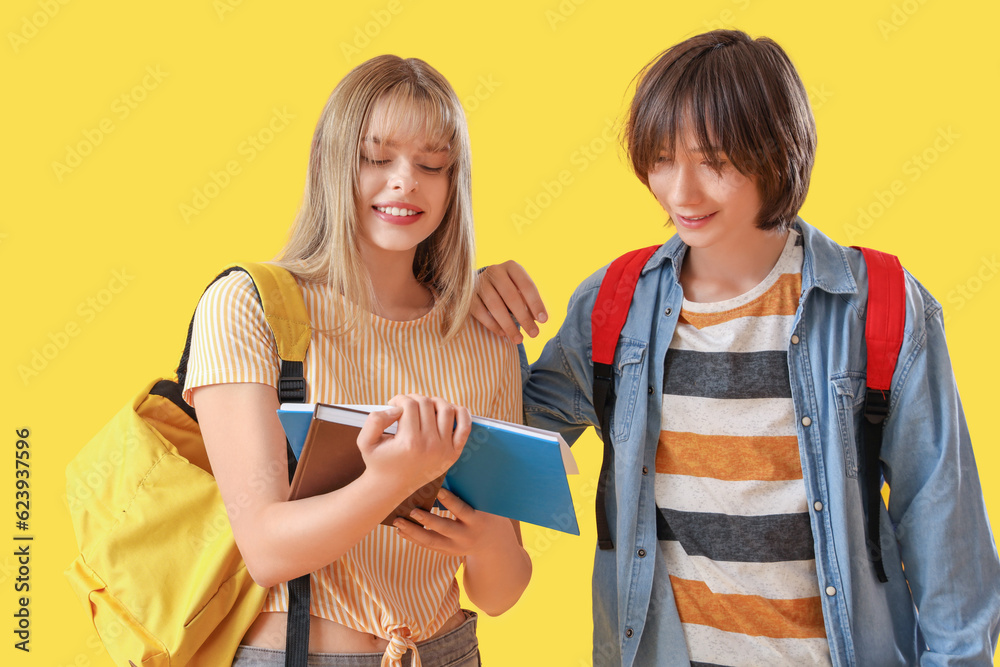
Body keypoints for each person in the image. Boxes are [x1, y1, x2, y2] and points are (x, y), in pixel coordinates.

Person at [474, 29, 1000, 666]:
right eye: (663, 158)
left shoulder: (879, 306)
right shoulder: (614, 306)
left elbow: (944, 529)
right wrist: (463, 302)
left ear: (778, 153)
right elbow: (494, 443)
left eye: (714, 160)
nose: (681, 193)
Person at [185, 55, 531, 667]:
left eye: (432, 165)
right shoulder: (250, 306)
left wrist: (487, 540)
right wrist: (390, 480)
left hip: (447, 651)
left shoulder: (485, 332)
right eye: (377, 158)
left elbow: (500, 594)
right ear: (332, 164)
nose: (406, 182)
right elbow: (266, 550)